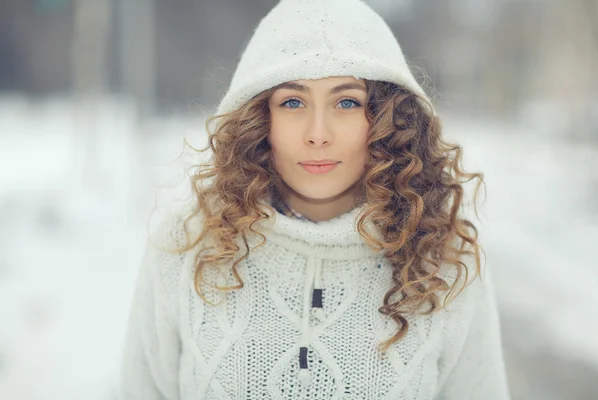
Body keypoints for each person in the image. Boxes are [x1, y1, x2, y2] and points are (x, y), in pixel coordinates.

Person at [118, 0, 511, 399]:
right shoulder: (186, 248)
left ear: (391, 118)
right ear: (257, 118)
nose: (317, 133)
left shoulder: (442, 259)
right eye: (292, 102)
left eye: (346, 102)